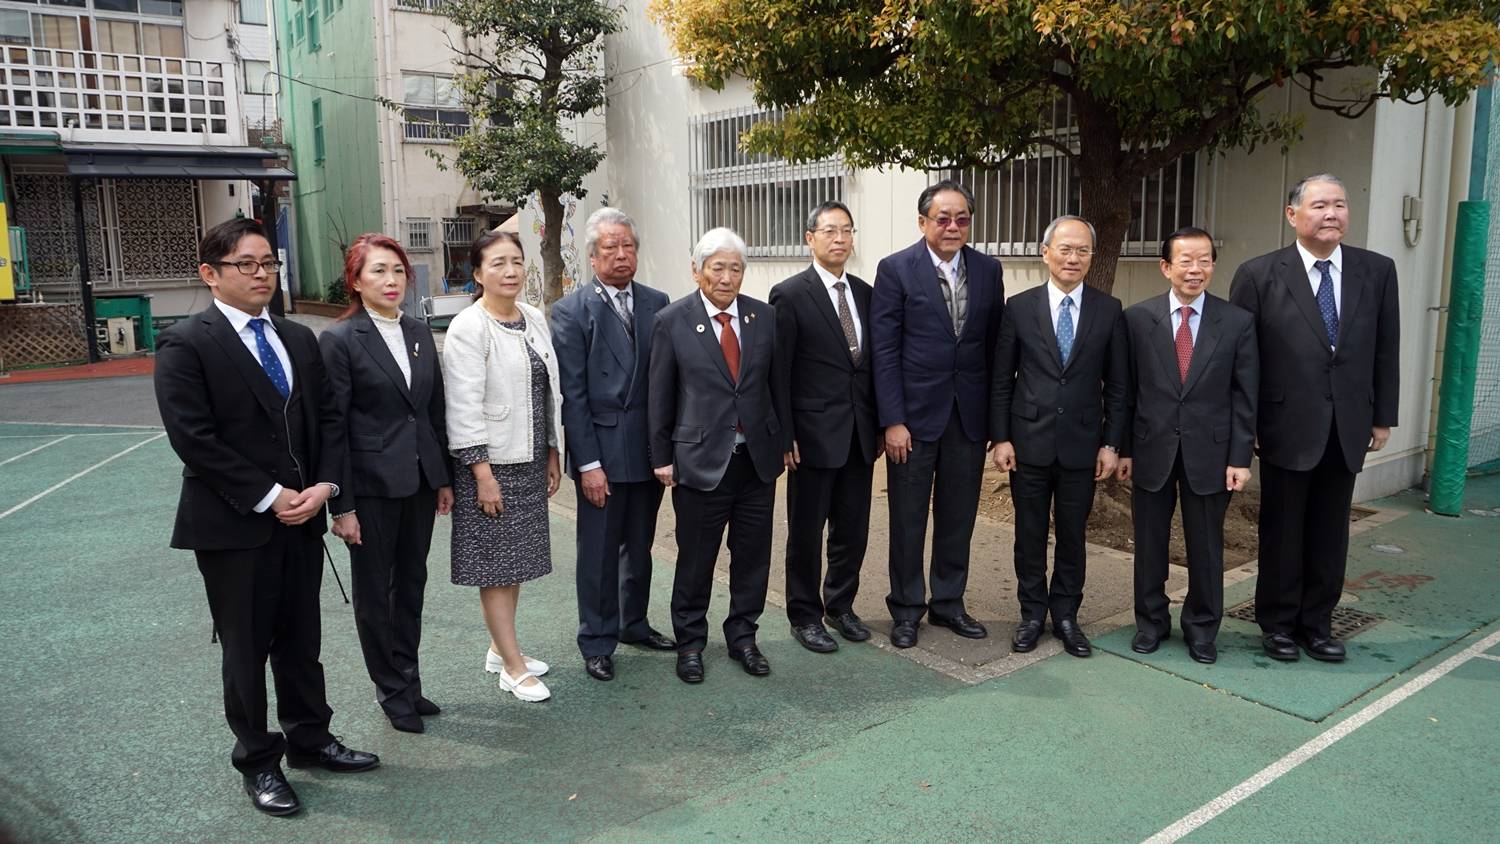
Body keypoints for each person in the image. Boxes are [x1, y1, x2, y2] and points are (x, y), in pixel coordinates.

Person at [154, 218, 378, 818]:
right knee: (246, 648)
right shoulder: (186, 343)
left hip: (303, 518)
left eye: (269, 264)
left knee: (302, 639)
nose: (262, 275)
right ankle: (258, 761)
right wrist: (270, 494)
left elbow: (328, 420)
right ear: (210, 274)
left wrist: (324, 487)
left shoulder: (298, 338)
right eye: (246, 265)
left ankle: (310, 738)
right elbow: (193, 438)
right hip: (234, 526)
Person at [1229, 174, 1400, 663]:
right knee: (1282, 530)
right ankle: (1278, 624)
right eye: (1320, 205)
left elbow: (1386, 347)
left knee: (1331, 530)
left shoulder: (1376, 270)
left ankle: (1318, 624)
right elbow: (1242, 358)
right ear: (1292, 215)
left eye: (1339, 205)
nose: (1331, 214)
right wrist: (1247, 425)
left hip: (1348, 424)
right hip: (1283, 424)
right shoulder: (1259, 274)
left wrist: (1382, 416)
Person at [320, 233, 454, 732]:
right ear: (356, 281)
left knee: (411, 584)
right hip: (370, 487)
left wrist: (441, 477)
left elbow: (432, 410)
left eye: (398, 270)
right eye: (378, 270)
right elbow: (333, 426)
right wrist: (342, 505)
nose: (391, 279)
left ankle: (410, 682)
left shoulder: (417, 332)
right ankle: (391, 692)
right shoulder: (339, 339)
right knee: (376, 593)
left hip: (418, 482)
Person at [870, 179, 1005, 649]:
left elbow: (993, 348)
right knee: (908, 519)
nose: (953, 227)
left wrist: (995, 423)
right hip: (912, 419)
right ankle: (907, 608)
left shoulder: (988, 269)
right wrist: (892, 419)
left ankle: (949, 602)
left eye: (962, 219)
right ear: (923, 221)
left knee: (958, 516)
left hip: (967, 416)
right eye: (943, 218)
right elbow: (884, 350)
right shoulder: (896, 269)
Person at [1115, 227, 1258, 664]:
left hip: (1211, 454)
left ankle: (1202, 629)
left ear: (1213, 266)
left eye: (1204, 261)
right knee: (1149, 544)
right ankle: (1150, 623)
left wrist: (1240, 458)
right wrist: (1123, 449)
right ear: (1166, 267)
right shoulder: (1137, 319)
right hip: (1151, 449)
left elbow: (1245, 396)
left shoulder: (1236, 322)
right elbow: (1126, 392)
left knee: (1206, 547)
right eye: (1186, 261)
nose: (1195, 269)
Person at [648, 227, 785, 683]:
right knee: (696, 559)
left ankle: (743, 636)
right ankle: (690, 643)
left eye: (736, 269)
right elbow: (660, 395)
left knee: (752, 558)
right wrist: (662, 456)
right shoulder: (672, 320)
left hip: (756, 461)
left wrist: (783, 441)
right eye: (717, 268)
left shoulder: (764, 317)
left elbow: (776, 386)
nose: (727, 278)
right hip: (699, 462)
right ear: (697, 270)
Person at [989, 215, 1128, 659]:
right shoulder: (1019, 307)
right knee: (1029, 535)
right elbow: (1002, 379)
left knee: (1072, 536)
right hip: (1027, 443)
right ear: (1045, 252)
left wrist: (1111, 444)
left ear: (1092, 257)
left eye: (1082, 250)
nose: (1073, 258)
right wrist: (1001, 438)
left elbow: (1119, 385)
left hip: (1082, 446)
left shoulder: (1109, 309)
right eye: (1065, 249)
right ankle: (1031, 614)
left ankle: (1067, 615)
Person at [552, 208, 676, 682]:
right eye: (611, 247)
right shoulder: (572, 310)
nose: (622, 255)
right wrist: (588, 464)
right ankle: (597, 639)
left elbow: (665, 381)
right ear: (592, 256)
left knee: (640, 545)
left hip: (646, 447)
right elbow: (574, 396)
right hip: (601, 448)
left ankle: (633, 623)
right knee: (599, 551)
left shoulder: (656, 302)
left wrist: (666, 450)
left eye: (628, 246)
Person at [442, 230, 563, 701]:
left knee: (516, 563)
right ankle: (513, 668)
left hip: (528, 458)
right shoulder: (469, 326)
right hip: (490, 466)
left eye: (516, 261)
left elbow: (547, 392)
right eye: (497, 263)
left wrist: (552, 450)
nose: (510, 271)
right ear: (477, 274)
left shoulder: (532, 317)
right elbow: (463, 406)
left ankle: (501, 648)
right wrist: (482, 474)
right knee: (496, 566)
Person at [769, 201, 881, 652]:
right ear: (809, 238)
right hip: (811, 436)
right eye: (830, 230)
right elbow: (780, 371)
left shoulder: (866, 293)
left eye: (846, 230)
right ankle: (804, 615)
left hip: (859, 433)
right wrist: (785, 433)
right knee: (806, 530)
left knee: (852, 528)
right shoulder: (789, 294)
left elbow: (870, 367)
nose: (839, 238)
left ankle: (840, 605)